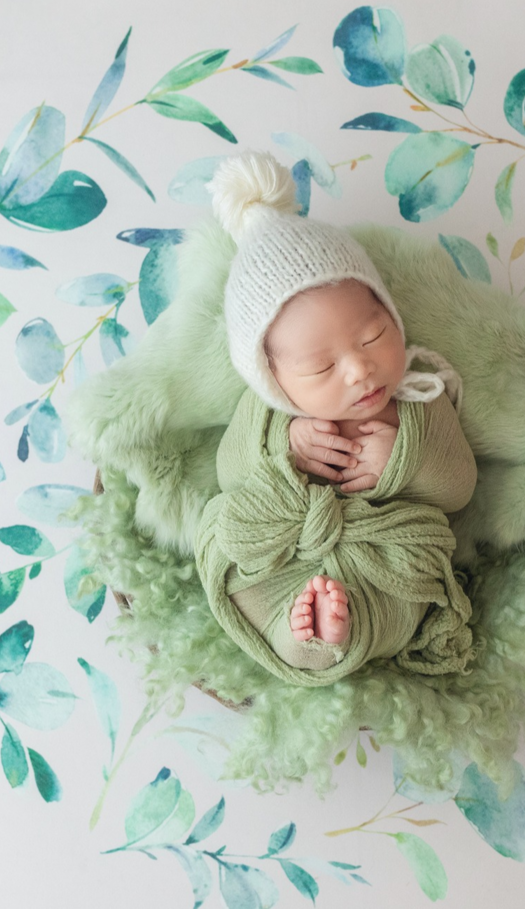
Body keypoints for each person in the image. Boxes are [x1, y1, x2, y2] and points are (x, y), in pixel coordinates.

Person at [192, 151, 478, 685]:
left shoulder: (420, 398)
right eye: (321, 367)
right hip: (284, 551)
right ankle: (298, 638)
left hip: (381, 557)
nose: (359, 370)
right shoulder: (267, 413)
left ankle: (337, 636)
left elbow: (458, 488)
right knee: (231, 539)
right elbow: (232, 475)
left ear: (391, 313)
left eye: (373, 336)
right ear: (273, 380)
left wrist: (406, 460)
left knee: (407, 589)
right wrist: (283, 452)